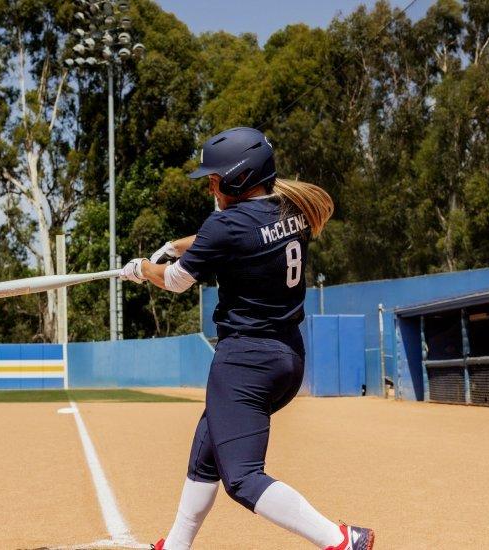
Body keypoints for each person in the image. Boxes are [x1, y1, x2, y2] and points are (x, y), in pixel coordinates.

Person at [120, 127, 375, 550]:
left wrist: (144, 268)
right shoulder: (291, 209)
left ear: (239, 177)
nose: (211, 185)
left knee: (242, 478)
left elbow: (178, 281)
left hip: (244, 363)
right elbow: (220, 242)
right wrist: (170, 246)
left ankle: (341, 540)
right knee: (207, 454)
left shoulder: (226, 226)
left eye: (216, 178)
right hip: (288, 357)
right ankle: (177, 546)